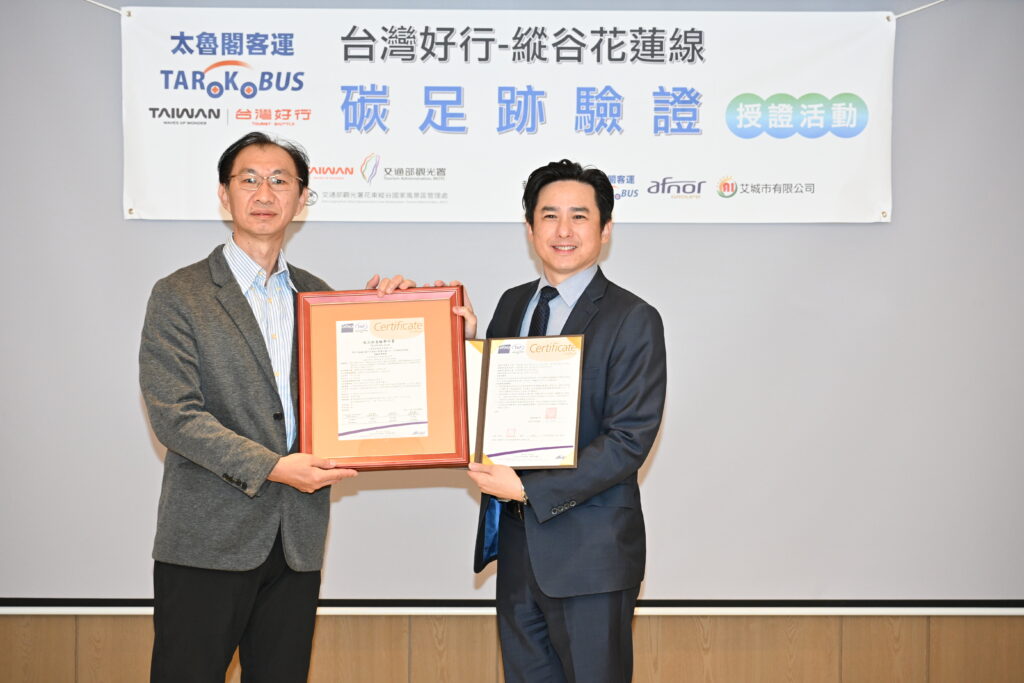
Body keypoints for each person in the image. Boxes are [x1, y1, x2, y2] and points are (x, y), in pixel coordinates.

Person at [139, 132, 406, 682]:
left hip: (296, 540)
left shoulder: (320, 297)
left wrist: (395, 320)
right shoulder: (180, 294)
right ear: (225, 194)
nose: (265, 193)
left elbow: (356, 394)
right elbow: (176, 416)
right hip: (207, 541)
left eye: (280, 180)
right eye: (250, 180)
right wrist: (275, 467)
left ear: (302, 199)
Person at [465, 159, 667, 683]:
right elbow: (494, 406)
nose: (563, 230)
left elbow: (628, 440)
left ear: (605, 228)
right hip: (518, 552)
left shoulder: (633, 318)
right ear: (530, 227)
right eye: (549, 215)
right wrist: (456, 344)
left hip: (591, 557)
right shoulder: (512, 305)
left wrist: (528, 489)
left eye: (579, 216)